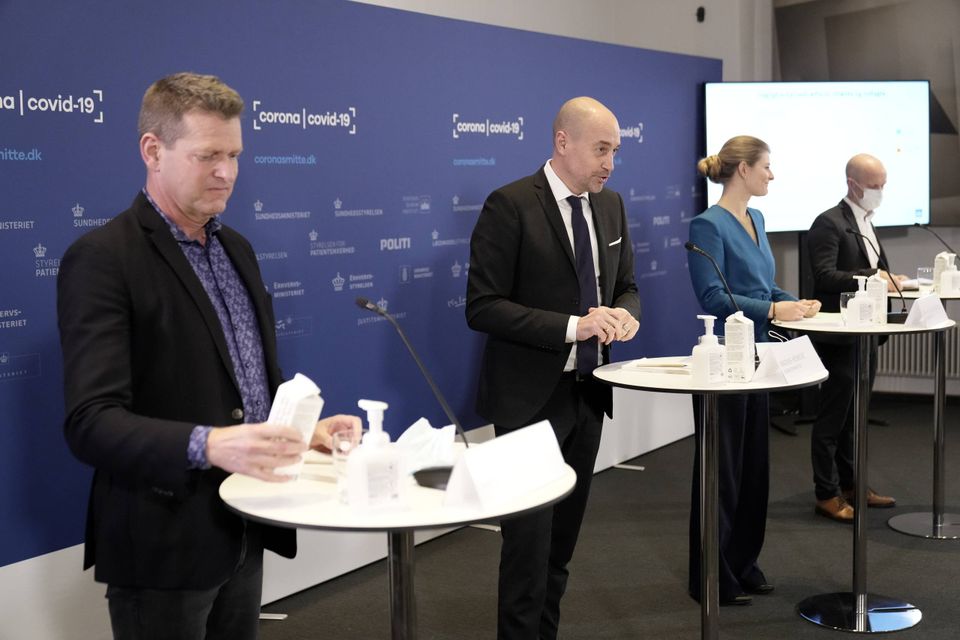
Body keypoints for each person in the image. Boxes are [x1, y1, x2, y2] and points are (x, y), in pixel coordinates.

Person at [56, 72, 360, 640]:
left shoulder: (236, 248)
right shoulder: (103, 259)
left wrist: (302, 432)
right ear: (153, 151)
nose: (227, 173)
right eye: (207, 156)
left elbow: (245, 382)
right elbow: (90, 423)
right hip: (163, 543)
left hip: (246, 524)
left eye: (234, 155)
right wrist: (211, 444)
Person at [466, 96, 641, 639]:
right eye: (601, 149)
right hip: (529, 402)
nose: (610, 163)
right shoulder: (511, 204)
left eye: (615, 151)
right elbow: (483, 306)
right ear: (563, 142)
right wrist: (574, 326)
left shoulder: (610, 206)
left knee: (561, 547)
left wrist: (625, 315)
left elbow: (627, 287)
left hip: (589, 393)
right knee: (527, 548)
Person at [687, 135, 820, 606]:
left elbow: (764, 286)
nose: (772, 175)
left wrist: (793, 303)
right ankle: (712, 575)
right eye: (766, 166)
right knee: (722, 472)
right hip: (725, 360)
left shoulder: (757, 218)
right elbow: (714, 298)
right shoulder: (707, 225)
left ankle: (743, 563)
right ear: (743, 170)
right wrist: (775, 310)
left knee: (753, 470)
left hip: (762, 358)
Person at [805, 153, 902, 523]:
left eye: (883, 185)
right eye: (874, 186)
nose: (880, 192)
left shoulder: (867, 220)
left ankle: (852, 486)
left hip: (867, 332)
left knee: (855, 417)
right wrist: (872, 277)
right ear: (853, 185)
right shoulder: (829, 222)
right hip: (840, 335)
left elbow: (878, 268)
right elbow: (824, 275)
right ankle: (826, 493)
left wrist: (891, 279)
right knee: (833, 419)